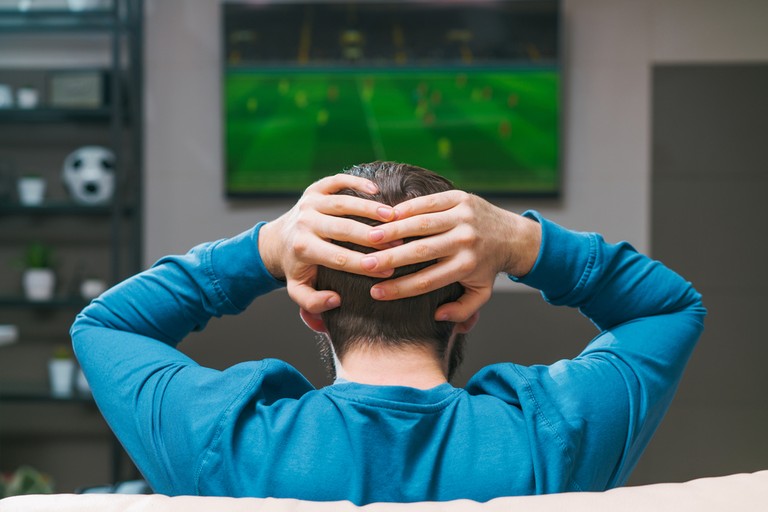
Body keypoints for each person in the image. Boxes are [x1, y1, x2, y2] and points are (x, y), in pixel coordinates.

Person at [71, 162, 706, 504]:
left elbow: (105, 325)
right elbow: (669, 309)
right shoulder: (554, 438)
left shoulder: (223, 442)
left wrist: (265, 248)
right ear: (468, 306)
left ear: (312, 310)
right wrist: (522, 243)